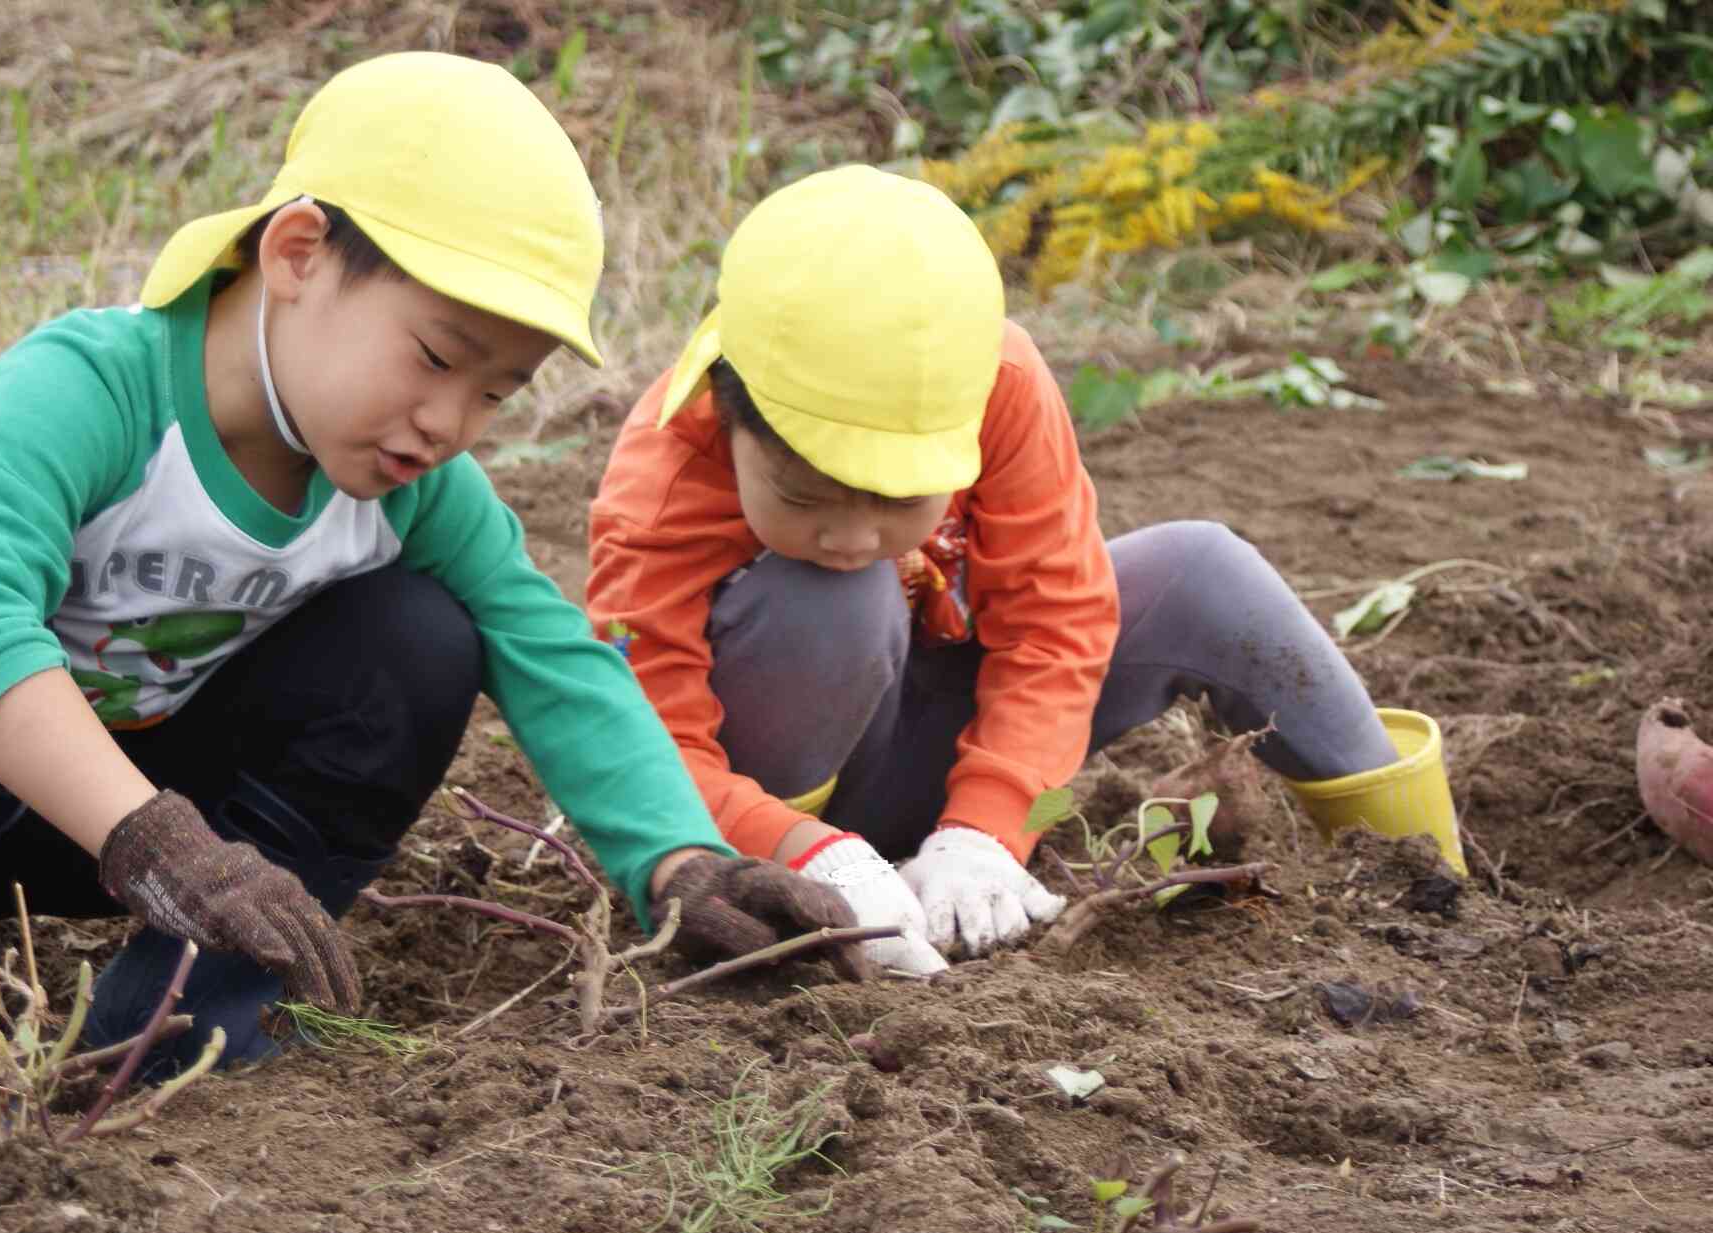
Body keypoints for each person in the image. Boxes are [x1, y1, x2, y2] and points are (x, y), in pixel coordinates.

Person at [0, 52, 860, 1108]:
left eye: (496, 392)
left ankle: (184, 1013)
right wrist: (149, 837)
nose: (451, 422)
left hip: (172, 831)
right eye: (438, 358)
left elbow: (551, 653)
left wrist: (682, 864)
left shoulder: (408, 488)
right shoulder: (91, 391)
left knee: (421, 639)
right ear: (298, 252)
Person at [586, 164, 1412, 976]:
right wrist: (806, 852)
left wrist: (986, 830)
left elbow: (1053, 621)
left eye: (897, 499)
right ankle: (803, 891)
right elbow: (645, 740)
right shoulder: (666, 473)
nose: (850, 533)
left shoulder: (998, 383)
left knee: (1202, 569)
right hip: (759, 803)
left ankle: (1421, 876)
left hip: (927, 748)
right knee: (832, 592)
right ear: (731, 413)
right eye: (802, 497)